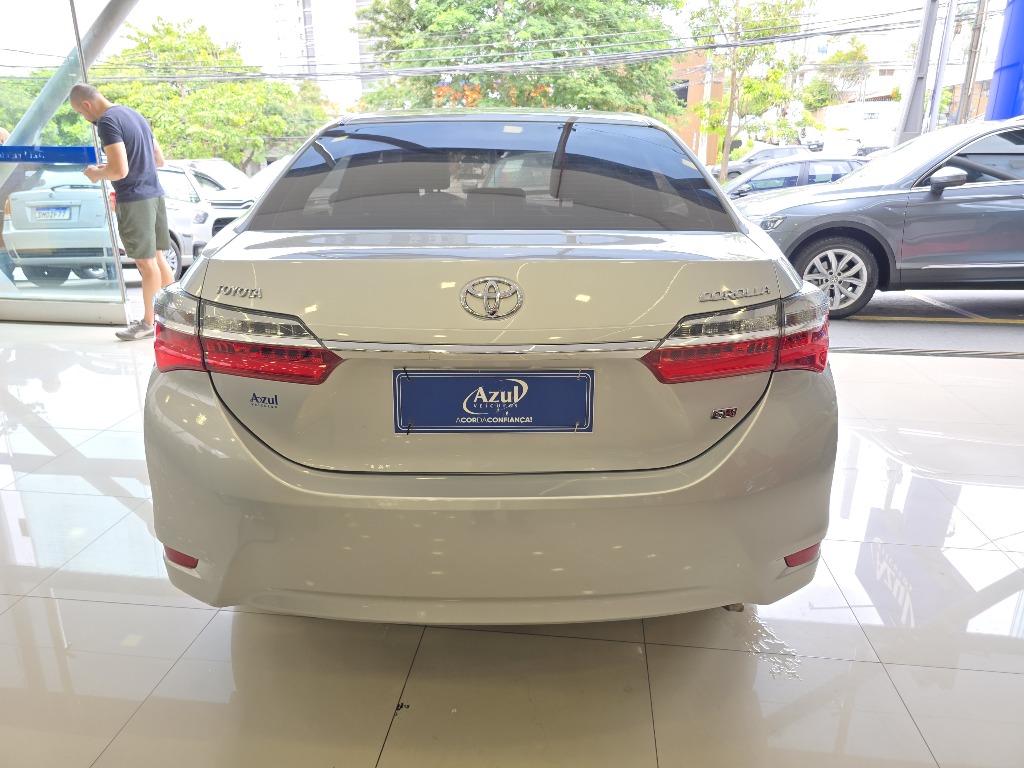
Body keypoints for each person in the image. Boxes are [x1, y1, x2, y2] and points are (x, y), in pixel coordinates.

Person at [69, 83, 174, 340]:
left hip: (135, 199)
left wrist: (96, 173)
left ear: (87, 104)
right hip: (154, 195)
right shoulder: (133, 114)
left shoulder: (107, 122)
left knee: (146, 264)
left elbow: (118, 171)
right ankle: (173, 317)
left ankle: (148, 323)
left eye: (81, 113)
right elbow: (158, 159)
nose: (84, 118)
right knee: (158, 259)